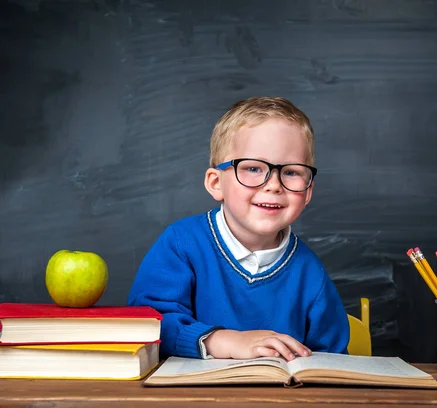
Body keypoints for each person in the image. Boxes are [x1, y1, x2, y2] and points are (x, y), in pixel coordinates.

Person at [127, 97, 350, 361]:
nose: (274, 185)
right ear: (215, 183)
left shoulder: (311, 272)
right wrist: (221, 340)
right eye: (253, 168)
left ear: (308, 190)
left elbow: (334, 360)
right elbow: (148, 322)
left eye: (290, 172)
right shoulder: (181, 243)